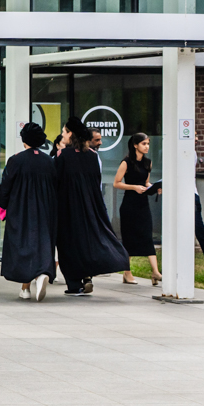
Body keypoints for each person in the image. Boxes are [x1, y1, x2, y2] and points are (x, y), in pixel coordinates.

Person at [55, 122, 130, 296]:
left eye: (64, 132)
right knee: (87, 239)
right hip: (91, 204)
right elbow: (97, 180)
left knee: (68, 243)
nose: (62, 135)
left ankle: (74, 284)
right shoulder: (93, 155)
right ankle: (87, 275)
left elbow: (56, 181)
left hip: (68, 206)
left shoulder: (62, 155)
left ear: (70, 134)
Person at [0, 122, 58, 301]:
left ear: (24, 140)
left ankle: (26, 287)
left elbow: (6, 185)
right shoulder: (49, 161)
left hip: (21, 208)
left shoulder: (16, 160)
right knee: (42, 242)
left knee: (22, 244)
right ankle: (41, 273)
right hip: (46, 208)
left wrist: (3, 204)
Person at [115, 132, 161, 286]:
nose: (147, 147)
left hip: (143, 204)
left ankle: (155, 272)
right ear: (135, 145)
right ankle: (127, 273)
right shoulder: (126, 162)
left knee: (147, 236)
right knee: (129, 238)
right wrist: (134, 187)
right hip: (129, 205)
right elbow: (117, 183)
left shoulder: (148, 163)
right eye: (144, 144)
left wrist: (154, 187)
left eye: (148, 144)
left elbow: (146, 182)